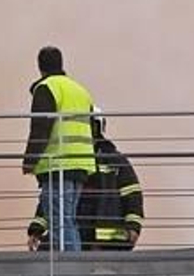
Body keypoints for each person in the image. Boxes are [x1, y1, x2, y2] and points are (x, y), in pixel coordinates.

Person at [27, 111, 145, 251]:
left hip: (105, 241)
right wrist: (37, 228)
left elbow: (132, 194)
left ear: (97, 128)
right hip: (72, 231)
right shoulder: (67, 161)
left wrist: (133, 226)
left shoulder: (114, 160)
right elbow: (53, 198)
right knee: (54, 257)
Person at [20, 45, 96, 253]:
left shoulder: (47, 88)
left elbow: (41, 127)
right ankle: (74, 263)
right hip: (81, 163)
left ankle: (69, 266)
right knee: (67, 220)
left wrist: (30, 160)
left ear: (40, 67)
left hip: (58, 164)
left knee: (59, 223)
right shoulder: (80, 90)